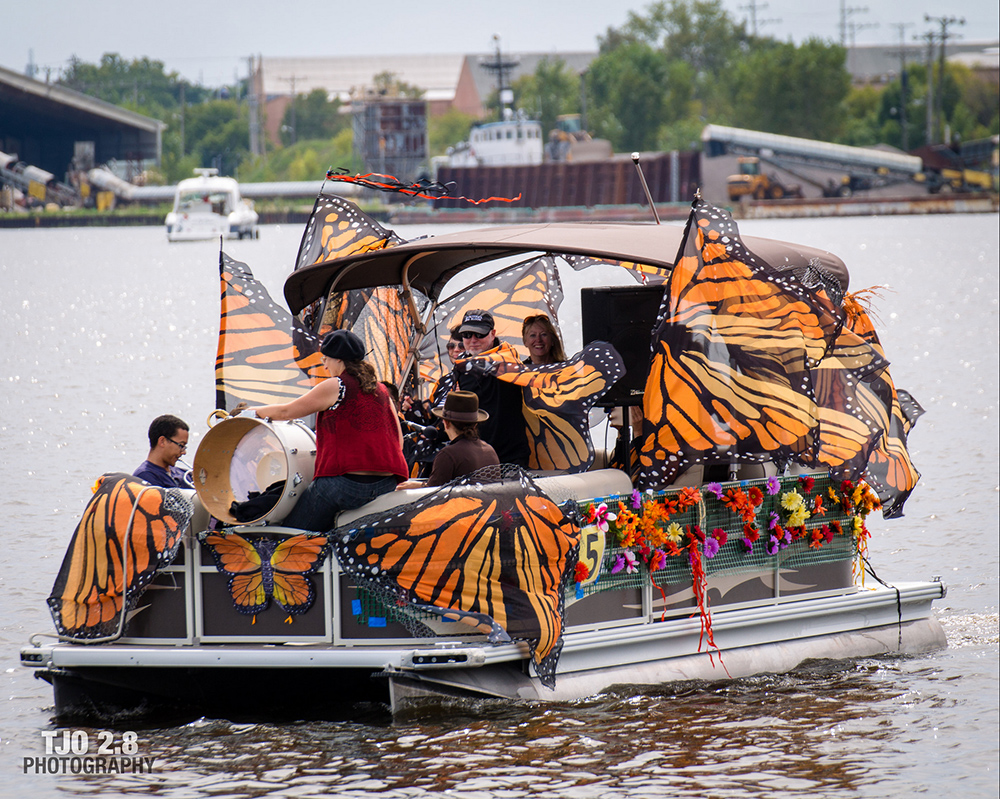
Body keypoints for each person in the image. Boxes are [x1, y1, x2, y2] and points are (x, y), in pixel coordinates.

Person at [246, 329, 408, 532]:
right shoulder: (382, 389)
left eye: (326, 359)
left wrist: (251, 412)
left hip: (346, 486)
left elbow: (287, 411)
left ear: (338, 360)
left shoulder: (337, 385)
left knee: (294, 532)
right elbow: (398, 441)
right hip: (386, 484)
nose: (324, 365)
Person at [449, 309, 530, 467]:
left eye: (479, 334)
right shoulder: (460, 366)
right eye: (467, 334)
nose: (473, 340)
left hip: (510, 456)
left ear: (492, 334)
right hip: (476, 456)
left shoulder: (507, 358)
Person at [398, 391, 499, 488]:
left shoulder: (448, 454)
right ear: (475, 424)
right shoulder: (490, 451)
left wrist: (418, 486)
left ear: (446, 423)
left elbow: (433, 493)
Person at [134, 414, 191, 488]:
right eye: (181, 445)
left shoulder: (183, 474)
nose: (183, 452)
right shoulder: (144, 477)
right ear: (162, 441)